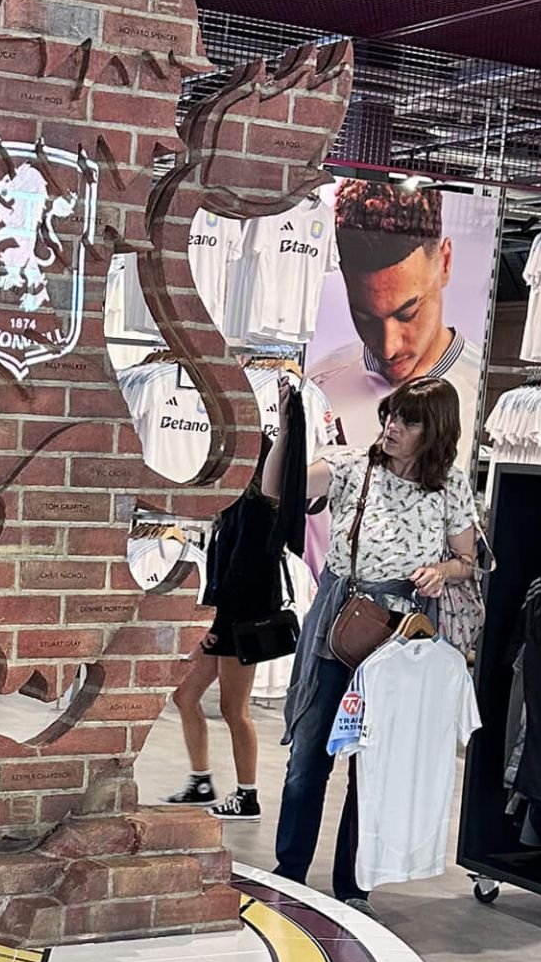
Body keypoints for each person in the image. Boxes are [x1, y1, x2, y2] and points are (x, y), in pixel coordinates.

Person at [275, 376, 477, 908]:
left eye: (408, 421)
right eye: (391, 415)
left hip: (399, 639)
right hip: (339, 625)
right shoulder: (350, 466)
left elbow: (467, 560)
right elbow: (277, 488)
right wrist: (288, 432)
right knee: (309, 755)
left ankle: (353, 884)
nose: (392, 427)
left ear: (434, 431)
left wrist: (442, 571)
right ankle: (289, 871)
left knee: (373, 765)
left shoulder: (450, 485)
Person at [166, 407, 293, 820]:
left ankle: (247, 795)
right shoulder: (237, 506)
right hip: (227, 621)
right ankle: (201, 781)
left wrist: (215, 626)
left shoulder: (256, 510)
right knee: (186, 696)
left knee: (233, 709)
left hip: (239, 624)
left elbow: (241, 577)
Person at [308, 180, 481, 453]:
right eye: (365, 318)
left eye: (407, 314)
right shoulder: (318, 386)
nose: (389, 349)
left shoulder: (482, 391)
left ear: (445, 262)